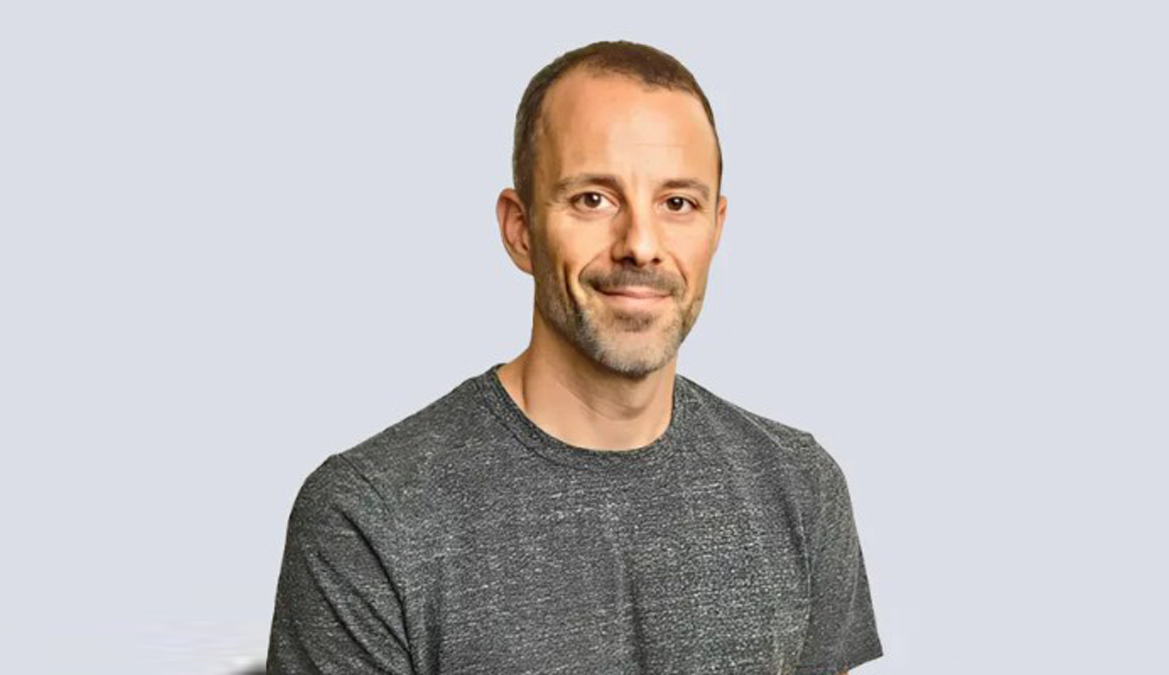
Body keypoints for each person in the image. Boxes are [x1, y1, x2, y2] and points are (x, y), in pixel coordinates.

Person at [266, 40, 884, 675]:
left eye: (678, 203)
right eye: (594, 199)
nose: (641, 245)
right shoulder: (368, 518)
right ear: (520, 230)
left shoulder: (800, 487)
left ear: (716, 228)